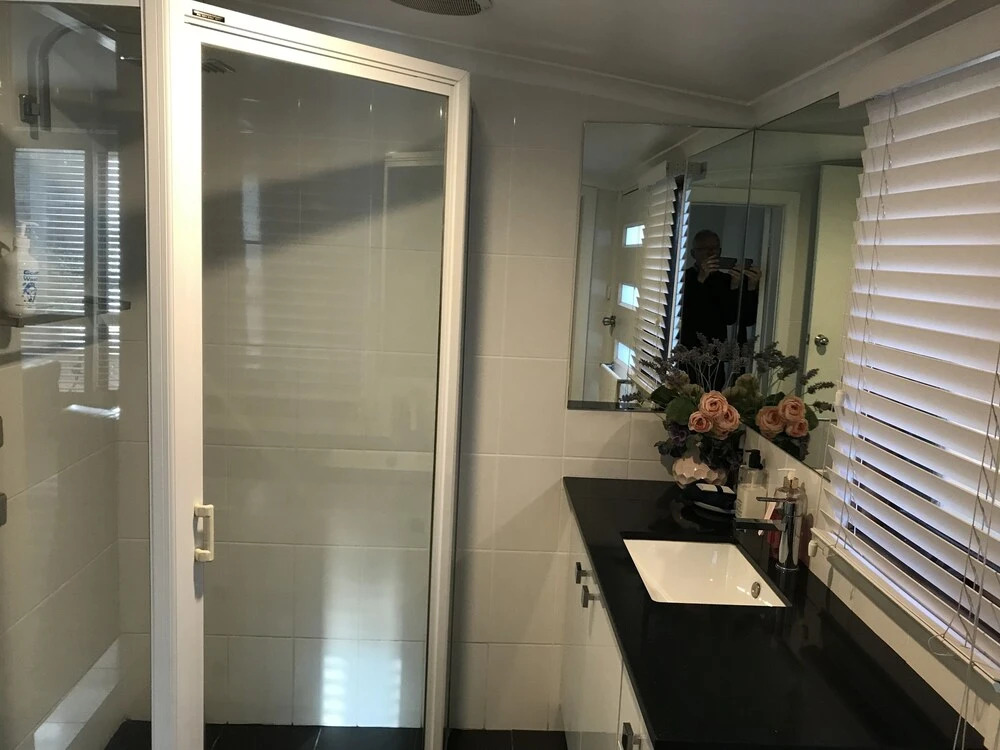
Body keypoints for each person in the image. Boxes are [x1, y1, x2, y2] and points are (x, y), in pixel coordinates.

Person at [679, 229, 760, 349]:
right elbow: (687, 314)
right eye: (704, 248)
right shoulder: (682, 278)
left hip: (717, 350)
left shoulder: (727, 279)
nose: (710, 252)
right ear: (693, 253)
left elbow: (738, 319)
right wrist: (701, 279)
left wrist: (749, 286)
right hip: (688, 347)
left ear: (720, 252)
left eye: (714, 248)